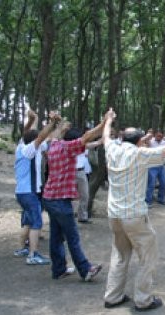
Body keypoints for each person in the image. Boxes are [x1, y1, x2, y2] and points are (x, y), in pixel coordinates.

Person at [102, 112, 165, 311]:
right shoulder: (140, 154)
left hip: (114, 215)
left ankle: (113, 296)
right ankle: (143, 299)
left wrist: (108, 120)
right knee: (147, 255)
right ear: (141, 141)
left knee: (120, 255)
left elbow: (106, 136)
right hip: (133, 216)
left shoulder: (112, 149)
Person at [42, 114, 107, 281]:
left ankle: (58, 269)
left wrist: (60, 126)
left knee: (56, 236)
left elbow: (56, 135)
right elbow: (86, 137)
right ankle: (85, 269)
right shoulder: (68, 148)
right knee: (72, 236)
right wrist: (104, 123)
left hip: (49, 197)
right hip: (60, 200)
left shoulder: (54, 145)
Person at [13, 110, 60, 264]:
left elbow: (33, 134)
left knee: (28, 221)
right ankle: (33, 255)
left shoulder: (21, 147)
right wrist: (52, 122)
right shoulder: (29, 150)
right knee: (36, 223)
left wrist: (35, 119)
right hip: (29, 192)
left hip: (22, 192)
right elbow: (40, 137)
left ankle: (22, 248)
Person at [145, 131, 165, 207]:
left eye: (160, 136)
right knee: (151, 184)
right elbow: (146, 143)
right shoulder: (151, 142)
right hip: (152, 166)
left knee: (163, 183)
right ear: (155, 136)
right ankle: (148, 201)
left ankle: (161, 199)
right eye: (158, 136)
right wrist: (148, 135)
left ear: (162, 136)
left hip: (161, 166)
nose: (159, 137)